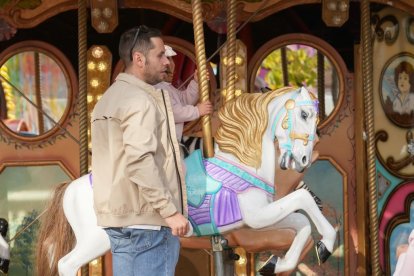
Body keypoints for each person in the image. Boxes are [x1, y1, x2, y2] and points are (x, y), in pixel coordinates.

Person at [91, 25, 190, 276]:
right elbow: (140, 161)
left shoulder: (109, 97)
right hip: (147, 222)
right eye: (160, 55)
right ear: (139, 59)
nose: (167, 61)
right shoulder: (140, 100)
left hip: (120, 220)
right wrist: (170, 211)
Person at [155, 45, 213, 141]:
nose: (170, 63)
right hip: (162, 143)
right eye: (167, 58)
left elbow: (184, 100)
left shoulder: (167, 87)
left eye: (171, 59)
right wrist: (197, 111)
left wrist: (196, 82)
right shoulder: (157, 88)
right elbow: (173, 112)